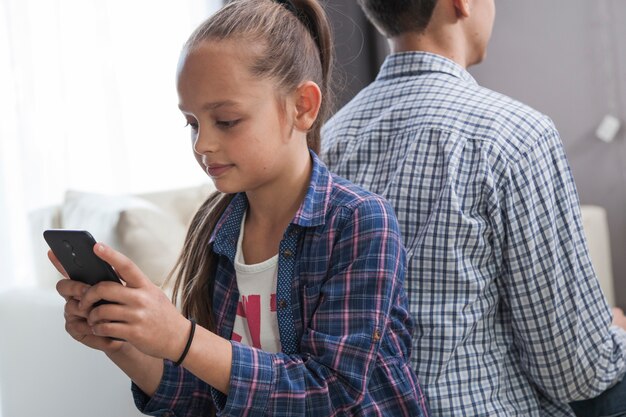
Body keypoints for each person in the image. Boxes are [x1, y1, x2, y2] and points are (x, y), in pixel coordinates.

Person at [50, 1, 430, 416]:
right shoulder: (215, 224)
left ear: (302, 106)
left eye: (227, 120)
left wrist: (181, 338)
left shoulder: (359, 221)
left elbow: (331, 391)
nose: (202, 144)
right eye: (193, 123)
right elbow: (206, 395)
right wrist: (126, 344)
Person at [321, 0, 626, 416]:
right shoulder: (517, 136)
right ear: (461, 3)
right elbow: (574, 369)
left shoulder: (326, 144)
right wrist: (610, 334)